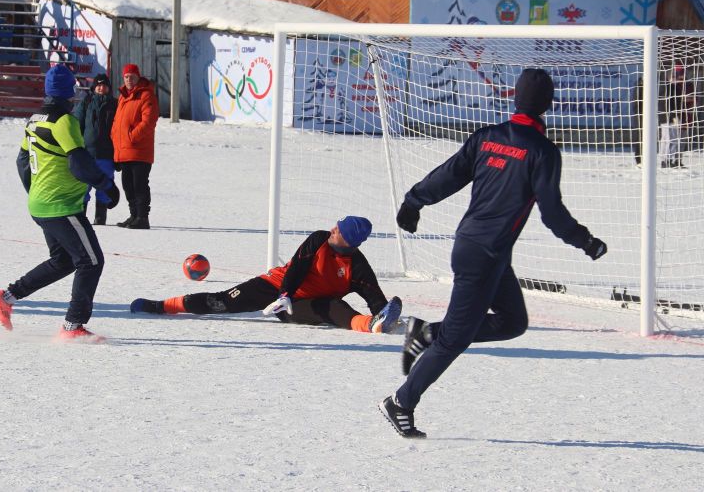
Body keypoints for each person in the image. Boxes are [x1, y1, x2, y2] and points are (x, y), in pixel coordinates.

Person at [379, 69, 608, 438]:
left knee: (513, 322)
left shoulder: (488, 137)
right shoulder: (543, 152)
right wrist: (585, 241)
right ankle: (401, 402)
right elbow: (552, 213)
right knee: (454, 340)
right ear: (548, 105)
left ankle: (426, 332)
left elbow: (449, 174)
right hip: (483, 256)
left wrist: (414, 200)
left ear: (515, 99)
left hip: (482, 251)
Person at [0, 65, 120, 342]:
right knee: (91, 262)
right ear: (69, 91)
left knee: (63, 261)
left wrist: (35, 191)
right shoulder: (64, 121)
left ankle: (7, 297)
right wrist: (106, 185)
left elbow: (22, 161)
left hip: (41, 204)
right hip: (62, 206)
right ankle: (73, 327)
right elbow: (79, 161)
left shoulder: (34, 119)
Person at [130, 216, 403, 334]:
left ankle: (369, 326)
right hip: (275, 288)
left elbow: (374, 296)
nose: (333, 228)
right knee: (220, 302)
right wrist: (284, 294)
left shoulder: (358, 266)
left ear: (349, 240)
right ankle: (162, 305)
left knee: (334, 307)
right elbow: (297, 268)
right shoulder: (319, 239)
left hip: (298, 307)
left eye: (339, 229)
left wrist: (384, 313)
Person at [111, 63, 159, 229]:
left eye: (132, 76)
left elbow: (149, 121)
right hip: (124, 150)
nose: (129, 80)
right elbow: (118, 123)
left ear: (138, 77)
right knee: (127, 184)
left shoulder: (146, 95)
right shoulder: (123, 96)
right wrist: (115, 142)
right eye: (126, 77)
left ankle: (142, 217)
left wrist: (132, 136)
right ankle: (133, 215)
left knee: (139, 184)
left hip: (139, 149)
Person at [73, 73, 117, 225]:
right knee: (83, 186)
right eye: (98, 85)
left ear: (108, 88)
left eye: (104, 85)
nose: (101, 88)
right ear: (94, 87)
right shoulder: (87, 101)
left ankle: (100, 218)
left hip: (106, 153)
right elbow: (76, 123)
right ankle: (81, 216)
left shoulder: (115, 104)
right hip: (87, 153)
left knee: (104, 186)